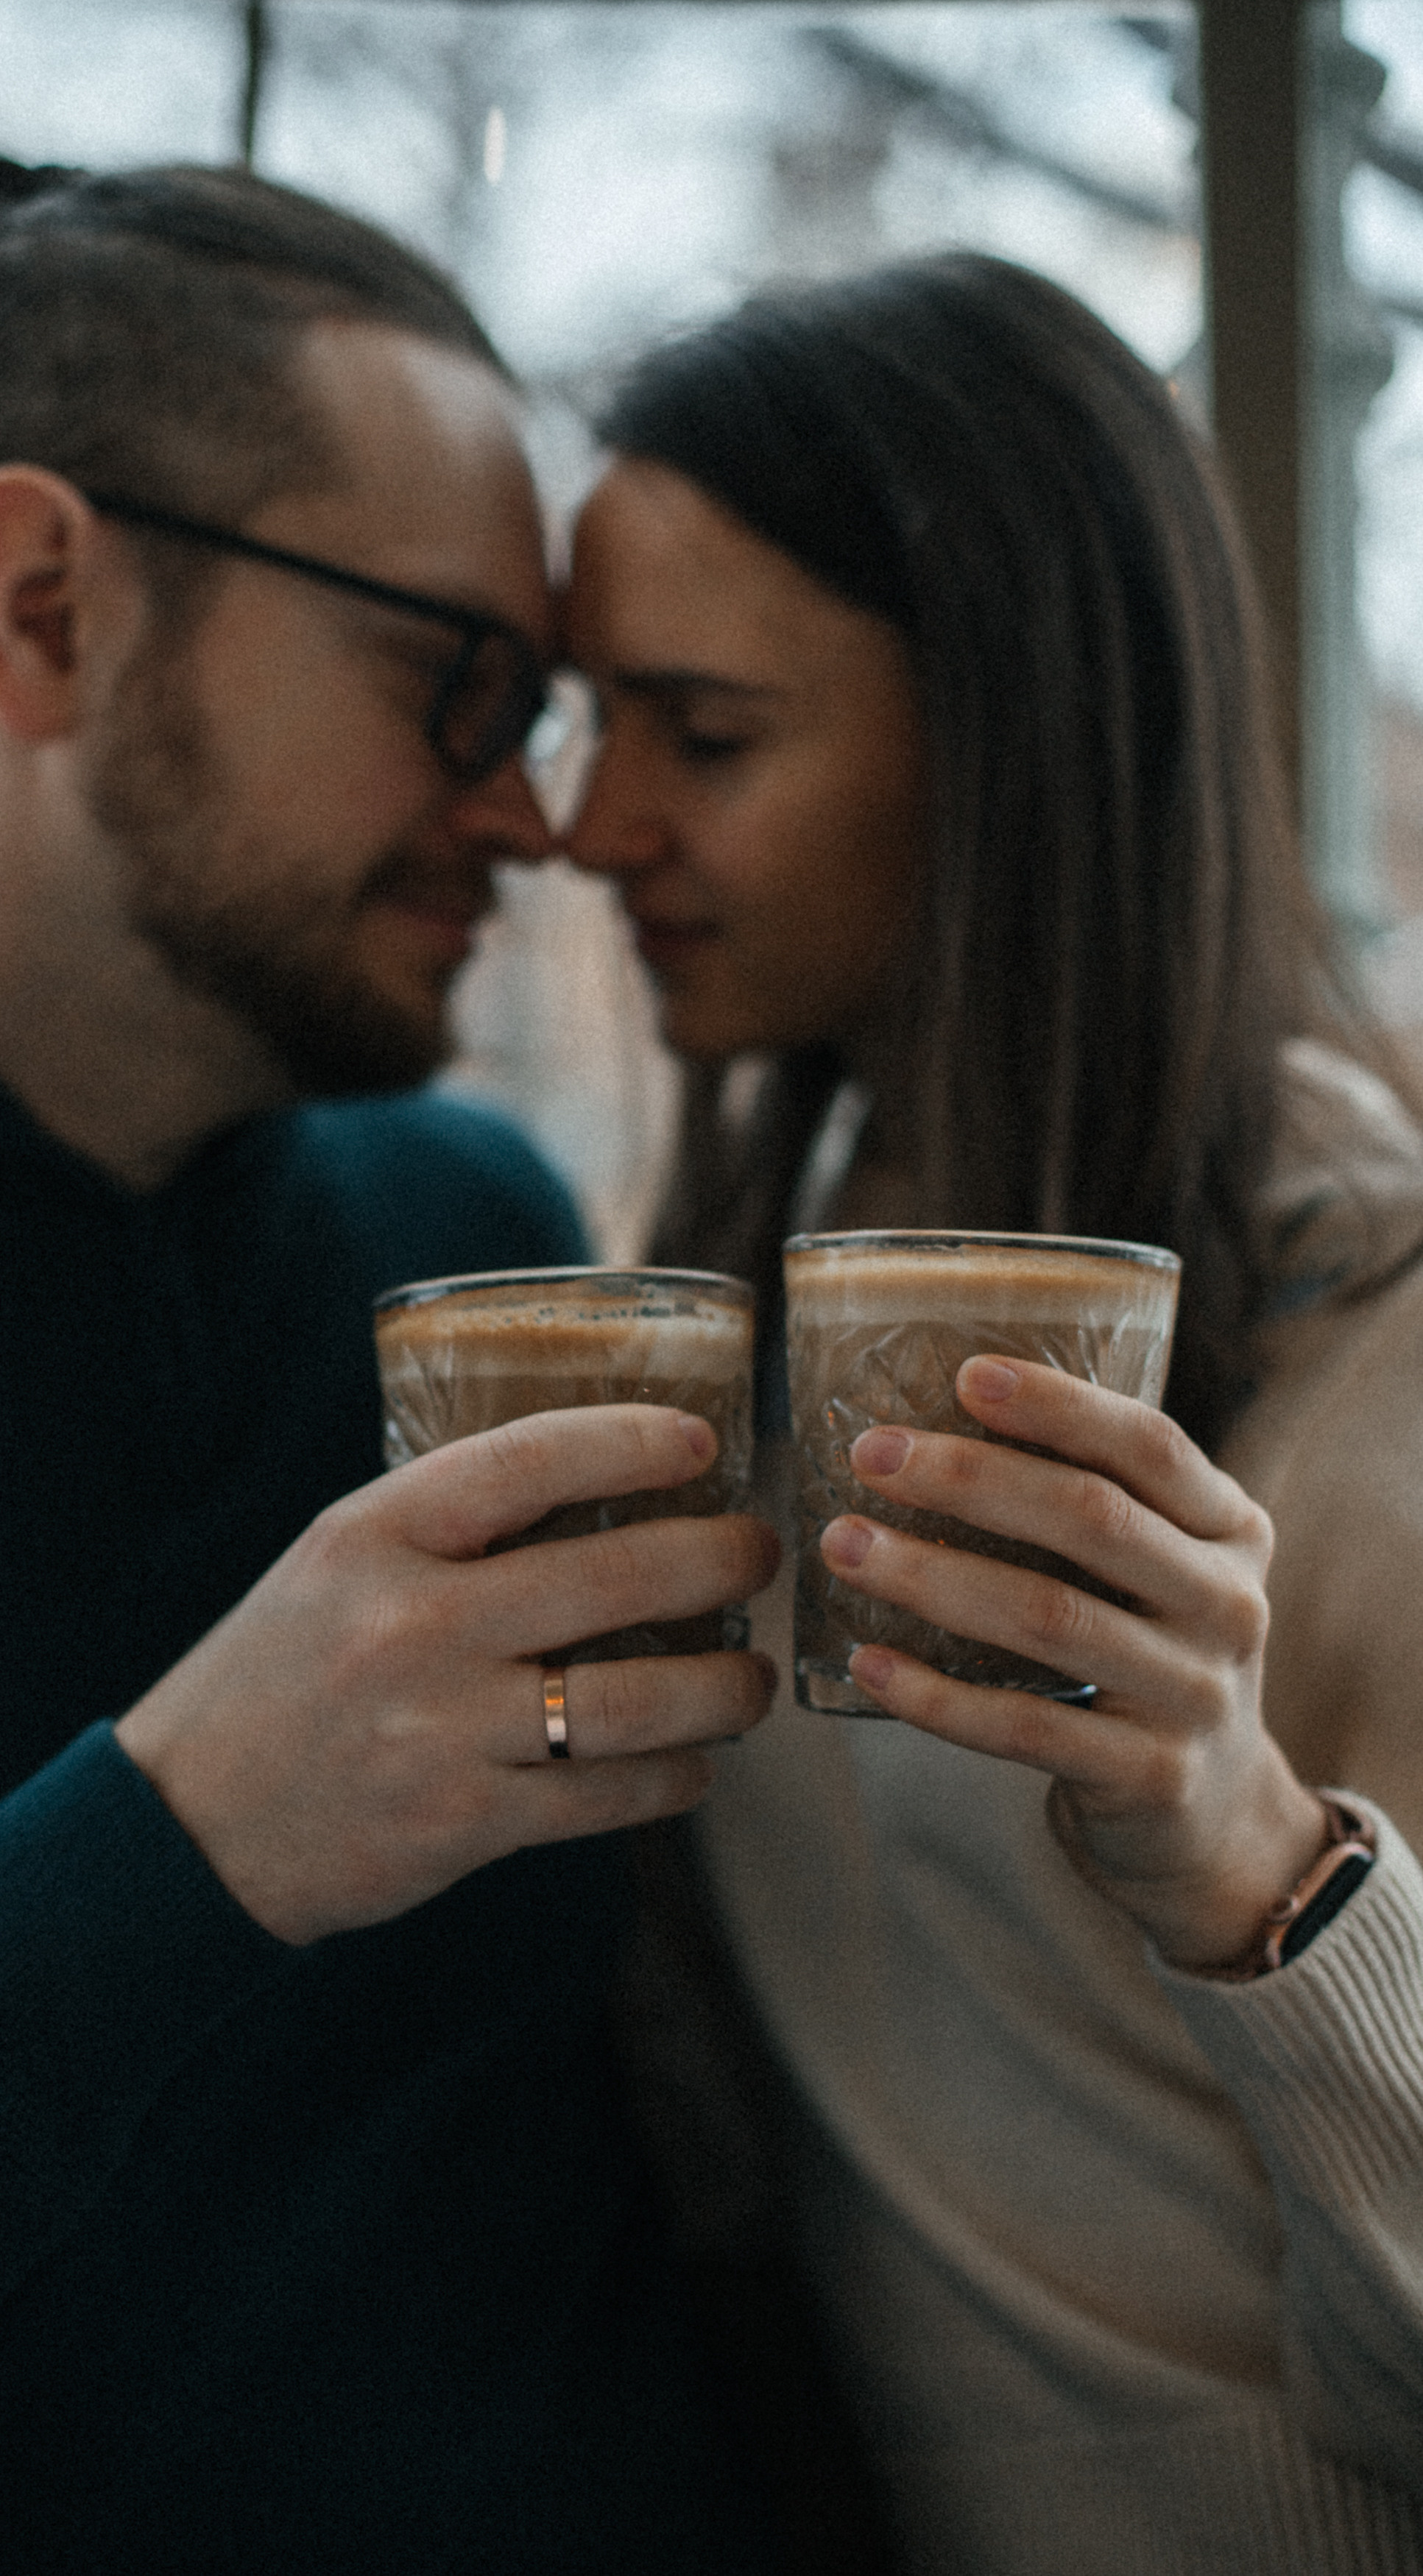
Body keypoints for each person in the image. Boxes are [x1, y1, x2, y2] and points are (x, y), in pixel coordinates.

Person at [0, 155, 787, 2572]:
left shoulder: (481, 1249)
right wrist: (185, 1842)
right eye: (456, 685)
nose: (536, 813)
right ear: (48, 607)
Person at [563, 253, 1423, 2572]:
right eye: (581, 719)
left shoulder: (1390, 1360)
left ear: (1015, 733)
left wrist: (1253, 1860)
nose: (586, 823)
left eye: (703, 732)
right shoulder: (769, 1304)